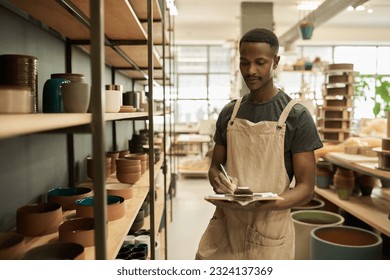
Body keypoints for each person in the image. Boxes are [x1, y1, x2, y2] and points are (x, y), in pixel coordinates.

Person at [195, 28, 323, 260]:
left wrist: (266, 203)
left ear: (276, 62)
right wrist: (217, 181)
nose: (250, 71)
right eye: (244, 63)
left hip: (270, 228)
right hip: (226, 224)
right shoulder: (229, 114)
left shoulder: (295, 116)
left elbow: (306, 188)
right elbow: (215, 166)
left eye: (260, 63)